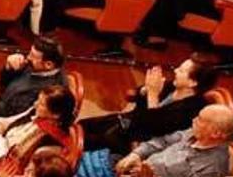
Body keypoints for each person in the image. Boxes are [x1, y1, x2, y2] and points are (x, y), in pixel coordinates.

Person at [80, 56, 219, 155]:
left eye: (182, 71)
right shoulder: (172, 86)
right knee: (82, 126)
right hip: (128, 121)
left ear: (193, 83)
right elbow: (141, 101)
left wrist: (152, 95)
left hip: (138, 140)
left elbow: (153, 128)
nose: (175, 70)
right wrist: (145, 90)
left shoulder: (193, 109)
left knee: (86, 143)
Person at [114, 104, 233, 177]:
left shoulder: (212, 169)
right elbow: (162, 141)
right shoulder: (193, 133)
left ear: (215, 133)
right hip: (140, 168)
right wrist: (136, 154)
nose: (194, 120)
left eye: (200, 120)